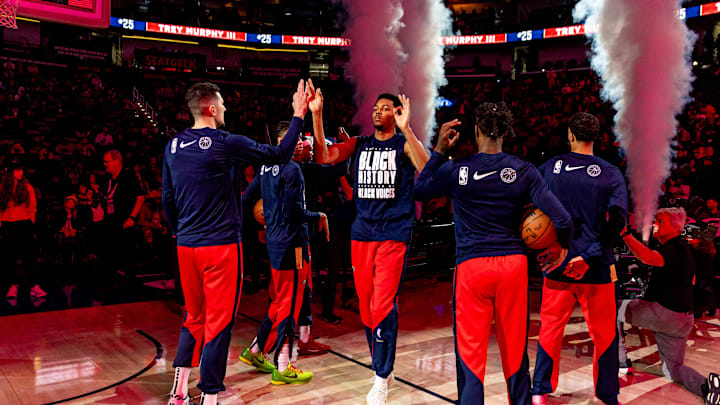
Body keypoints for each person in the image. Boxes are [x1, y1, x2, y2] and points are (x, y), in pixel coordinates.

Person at [414, 103, 573, 405]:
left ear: (475, 131)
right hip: (513, 266)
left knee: (471, 354)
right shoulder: (524, 170)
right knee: (515, 351)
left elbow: (420, 190)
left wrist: (438, 149)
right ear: (505, 133)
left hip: (472, 268)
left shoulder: (457, 167)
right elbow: (563, 219)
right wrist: (560, 247)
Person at [162, 80, 309, 405]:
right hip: (221, 247)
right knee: (218, 322)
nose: (227, 109)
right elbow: (280, 154)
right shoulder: (226, 142)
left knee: (193, 317)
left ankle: (179, 392)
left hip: (186, 246)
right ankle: (211, 396)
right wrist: (298, 115)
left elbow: (167, 199)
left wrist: (180, 232)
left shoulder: (172, 146)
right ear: (210, 108)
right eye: (223, 104)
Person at [311, 84, 429, 405]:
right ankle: (382, 365)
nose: (378, 111)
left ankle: (380, 375)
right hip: (361, 234)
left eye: (386, 108)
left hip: (393, 235)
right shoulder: (360, 144)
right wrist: (317, 114)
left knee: (382, 305)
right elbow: (324, 156)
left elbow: (426, 167)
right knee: (366, 308)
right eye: (376, 107)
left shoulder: (403, 145)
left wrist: (409, 131)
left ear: (397, 114)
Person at [531, 112, 628, 405]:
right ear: (595, 137)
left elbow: (529, 209)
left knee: (549, 330)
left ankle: (540, 391)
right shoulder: (611, 173)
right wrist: (588, 255)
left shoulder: (550, 167)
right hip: (596, 268)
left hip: (557, 264)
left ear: (570, 135)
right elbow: (617, 222)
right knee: (604, 335)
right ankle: (608, 396)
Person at [238, 121, 330, 385]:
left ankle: (255, 350)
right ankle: (283, 366)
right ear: (285, 141)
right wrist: (320, 215)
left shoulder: (265, 167)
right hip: (293, 244)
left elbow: (246, 201)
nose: (301, 142)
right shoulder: (292, 170)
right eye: (298, 138)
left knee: (280, 301)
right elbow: (298, 212)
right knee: (290, 305)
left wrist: (268, 217)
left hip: (275, 243)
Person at [618, 207, 720, 404]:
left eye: (660, 221)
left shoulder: (674, 248)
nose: (655, 223)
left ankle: (621, 362)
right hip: (682, 320)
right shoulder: (683, 249)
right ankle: (708, 386)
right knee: (672, 370)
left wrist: (624, 233)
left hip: (664, 314)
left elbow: (647, 257)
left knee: (611, 309)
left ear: (675, 228)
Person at [0, 159, 45, 299]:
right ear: (11, 172)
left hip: (24, 225)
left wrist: (30, 222)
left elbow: (33, 207)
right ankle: (13, 286)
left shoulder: (27, 186)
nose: (21, 172)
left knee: (30, 258)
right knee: (9, 258)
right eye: (18, 169)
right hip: (8, 225)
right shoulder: (2, 187)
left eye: (21, 169)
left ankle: (34, 286)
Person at [102, 149, 145, 285]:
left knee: (128, 253)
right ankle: (114, 280)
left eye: (107, 161)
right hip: (111, 221)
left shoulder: (128, 176)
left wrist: (132, 217)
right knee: (112, 252)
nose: (105, 164)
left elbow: (140, 197)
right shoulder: (107, 179)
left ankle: (130, 284)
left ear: (116, 161)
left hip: (126, 221)